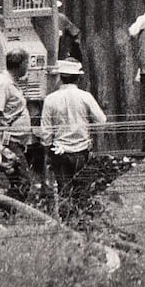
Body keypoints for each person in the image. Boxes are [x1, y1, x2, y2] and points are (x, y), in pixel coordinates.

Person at [39, 57, 106, 197]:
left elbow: (46, 132)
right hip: (82, 151)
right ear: (78, 78)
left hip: (59, 151)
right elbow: (101, 120)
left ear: (60, 77)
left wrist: (47, 152)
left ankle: (66, 217)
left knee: (64, 191)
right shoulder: (85, 97)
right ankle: (81, 216)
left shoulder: (50, 99)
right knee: (82, 191)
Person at [0, 47, 35, 194]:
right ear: (21, 64)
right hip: (8, 142)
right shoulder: (3, 84)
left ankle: (12, 212)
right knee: (22, 182)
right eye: (27, 63)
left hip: (16, 141)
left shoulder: (10, 82)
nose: (28, 67)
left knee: (18, 181)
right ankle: (12, 213)